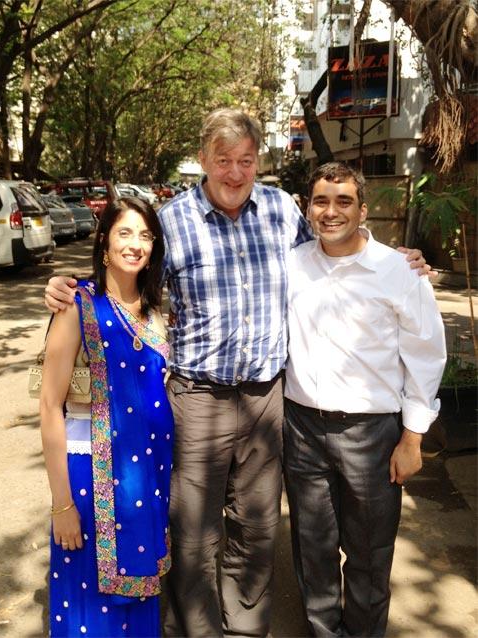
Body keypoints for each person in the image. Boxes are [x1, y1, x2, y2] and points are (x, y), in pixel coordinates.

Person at [43, 108, 429, 638]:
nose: (234, 173)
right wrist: (68, 286)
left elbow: (332, 253)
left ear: (257, 163)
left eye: (245, 161)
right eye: (223, 160)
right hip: (197, 397)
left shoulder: (280, 211)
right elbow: (127, 278)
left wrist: (399, 261)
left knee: (257, 527)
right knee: (195, 533)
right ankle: (199, 630)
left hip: (268, 398)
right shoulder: (171, 221)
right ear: (203, 160)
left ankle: (245, 628)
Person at [283, 162, 447, 638]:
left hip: (373, 433)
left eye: (343, 201)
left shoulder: (398, 270)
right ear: (307, 207)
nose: (330, 212)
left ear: (363, 209)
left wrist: (412, 438)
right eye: (320, 201)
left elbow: (425, 356)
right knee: (312, 549)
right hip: (303, 429)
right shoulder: (293, 265)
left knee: (370, 554)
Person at [40, 197, 174, 638]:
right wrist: (62, 505)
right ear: (104, 244)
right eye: (125, 233)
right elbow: (49, 407)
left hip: (145, 484)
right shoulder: (78, 306)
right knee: (90, 614)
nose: (135, 245)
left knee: (138, 607)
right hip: (90, 485)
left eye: (145, 236)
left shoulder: (156, 314)